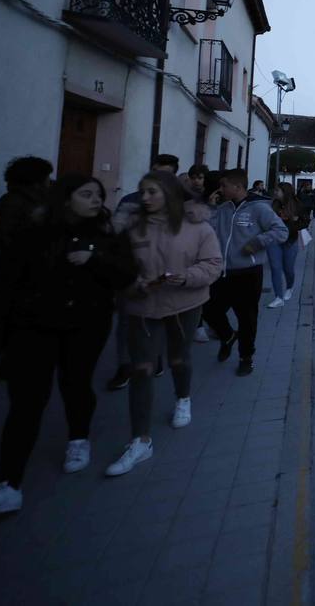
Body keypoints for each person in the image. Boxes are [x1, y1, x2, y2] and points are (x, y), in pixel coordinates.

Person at [0, 175, 137, 514]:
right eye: (86, 194)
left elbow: (125, 275)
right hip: (34, 327)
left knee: (76, 384)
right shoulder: (34, 235)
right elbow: (8, 284)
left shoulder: (109, 235)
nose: (96, 200)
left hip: (86, 325)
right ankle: (8, 483)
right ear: (65, 198)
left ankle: (78, 439)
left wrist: (95, 258)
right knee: (26, 401)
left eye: (98, 195)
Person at [104, 171, 222, 477]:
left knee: (179, 358)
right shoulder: (130, 226)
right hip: (141, 306)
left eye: (152, 192)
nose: (144, 198)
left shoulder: (198, 227)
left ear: (169, 194)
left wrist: (187, 277)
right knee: (141, 368)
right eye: (142, 191)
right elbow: (116, 264)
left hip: (184, 304)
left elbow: (212, 264)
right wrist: (131, 282)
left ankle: (183, 398)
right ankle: (140, 439)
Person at [106, 153, 182, 390]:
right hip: (132, 274)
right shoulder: (131, 201)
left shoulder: (180, 205)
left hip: (164, 275)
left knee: (159, 320)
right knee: (127, 322)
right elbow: (115, 238)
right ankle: (125, 365)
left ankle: (155, 357)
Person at [205, 169, 287, 377]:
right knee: (209, 309)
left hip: (248, 273)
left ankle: (246, 357)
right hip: (223, 272)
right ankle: (227, 336)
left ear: (237, 187)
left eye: (224, 186)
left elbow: (281, 231)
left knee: (247, 318)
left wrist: (258, 242)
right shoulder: (222, 209)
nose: (220, 190)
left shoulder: (259, 208)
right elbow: (209, 231)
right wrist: (210, 208)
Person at [0, 155, 54, 356]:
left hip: (33, 268)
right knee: (13, 313)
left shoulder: (40, 199)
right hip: (19, 269)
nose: (50, 180)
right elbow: (1, 235)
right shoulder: (14, 200)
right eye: (47, 176)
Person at [271, 182, 309, 306]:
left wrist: (292, 226)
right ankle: (278, 297)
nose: (275, 192)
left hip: (290, 240)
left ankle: (290, 287)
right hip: (274, 240)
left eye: (278, 191)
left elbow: (305, 222)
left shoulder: (297, 205)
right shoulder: (274, 205)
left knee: (288, 268)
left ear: (285, 192)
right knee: (275, 268)